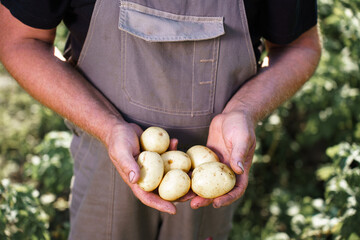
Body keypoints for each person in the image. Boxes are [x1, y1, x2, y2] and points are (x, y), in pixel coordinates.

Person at [0, 0, 321, 239]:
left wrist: (245, 110)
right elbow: (19, 40)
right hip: (103, 157)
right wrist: (107, 126)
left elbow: (300, 46)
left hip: (213, 166)